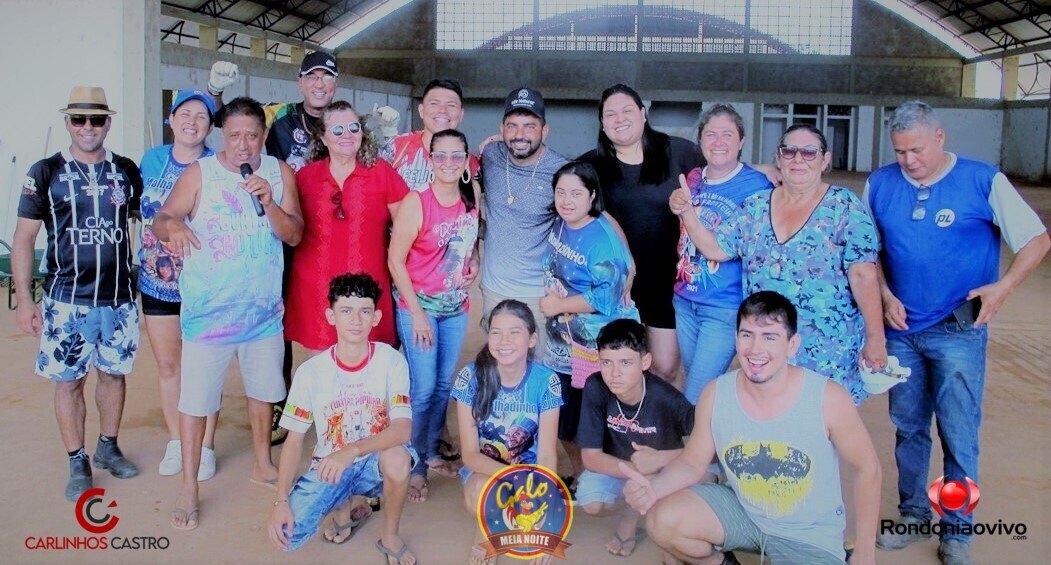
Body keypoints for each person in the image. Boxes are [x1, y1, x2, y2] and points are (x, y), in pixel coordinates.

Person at [867, 101, 1049, 565]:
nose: (908, 160)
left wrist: (1003, 287)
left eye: (917, 150)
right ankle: (912, 516)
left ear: (940, 137)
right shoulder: (880, 184)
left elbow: (1037, 239)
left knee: (958, 432)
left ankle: (958, 531)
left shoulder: (982, 180)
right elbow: (868, 253)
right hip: (901, 332)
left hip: (959, 331)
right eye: (900, 151)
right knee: (909, 429)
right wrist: (884, 295)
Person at [623, 291, 882, 565]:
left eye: (770, 337)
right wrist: (653, 489)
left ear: (792, 344)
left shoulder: (828, 398)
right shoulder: (716, 393)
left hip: (807, 534)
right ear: (736, 339)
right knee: (663, 520)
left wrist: (865, 552)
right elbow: (692, 463)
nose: (755, 349)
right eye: (747, 335)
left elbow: (868, 468)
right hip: (744, 511)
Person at [153, 97, 304, 529]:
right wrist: (173, 226)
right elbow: (163, 218)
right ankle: (189, 487)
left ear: (263, 136)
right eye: (234, 135)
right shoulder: (200, 173)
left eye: (252, 136)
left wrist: (270, 203)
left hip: (262, 315)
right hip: (209, 317)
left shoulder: (279, 173)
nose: (243, 145)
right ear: (223, 135)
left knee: (263, 393)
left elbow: (295, 235)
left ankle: (262, 464)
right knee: (196, 402)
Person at [670, 124, 887, 404]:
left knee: (822, 420)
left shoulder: (844, 207)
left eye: (809, 152)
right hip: (766, 347)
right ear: (778, 157)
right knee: (766, 417)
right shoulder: (756, 206)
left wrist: (876, 338)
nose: (798, 159)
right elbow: (716, 249)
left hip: (826, 349)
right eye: (790, 151)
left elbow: (863, 276)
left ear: (825, 160)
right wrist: (687, 212)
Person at [13, 86, 143, 501]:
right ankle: (77, 459)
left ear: (108, 123)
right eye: (79, 119)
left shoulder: (126, 170)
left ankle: (108, 445)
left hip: (119, 299)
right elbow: (23, 238)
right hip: (66, 301)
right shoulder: (45, 172)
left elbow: (148, 222)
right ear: (67, 122)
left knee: (114, 375)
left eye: (97, 119)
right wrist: (25, 298)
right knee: (69, 383)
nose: (88, 127)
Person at [207, 52, 341, 445]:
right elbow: (228, 123)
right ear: (300, 82)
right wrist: (215, 91)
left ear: (335, 83)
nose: (319, 84)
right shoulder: (280, 117)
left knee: (329, 318)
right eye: (312, 76)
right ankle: (279, 402)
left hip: (331, 235)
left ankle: (336, 401)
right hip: (284, 230)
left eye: (326, 77)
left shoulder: (343, 121)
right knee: (278, 324)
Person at [268, 273, 416, 564]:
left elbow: (402, 430)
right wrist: (281, 501)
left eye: (365, 311)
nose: (356, 320)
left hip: (373, 461)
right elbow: (294, 442)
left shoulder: (391, 361)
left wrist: (352, 451)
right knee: (287, 536)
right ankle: (345, 506)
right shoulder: (310, 372)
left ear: (376, 317)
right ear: (330, 316)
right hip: (331, 466)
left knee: (398, 459)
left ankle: (390, 536)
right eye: (346, 311)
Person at [382, 78, 479, 464]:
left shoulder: (472, 195)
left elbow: (471, 237)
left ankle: (430, 449)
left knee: (441, 386)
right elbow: (395, 260)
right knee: (422, 390)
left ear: (467, 161)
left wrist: (473, 261)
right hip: (418, 305)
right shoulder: (415, 200)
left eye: (457, 157)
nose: (449, 163)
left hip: (456, 306)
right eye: (441, 157)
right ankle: (414, 461)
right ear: (431, 159)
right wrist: (418, 313)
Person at [576, 84, 702, 380]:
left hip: (667, 281)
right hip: (617, 282)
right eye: (610, 114)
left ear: (643, 114)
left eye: (627, 110)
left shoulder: (679, 152)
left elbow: (720, 175)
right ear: (602, 123)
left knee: (664, 367)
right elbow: (559, 185)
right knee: (615, 367)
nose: (619, 118)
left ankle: (652, 409)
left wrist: (763, 171)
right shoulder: (590, 166)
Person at [540, 160, 639, 488]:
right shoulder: (562, 223)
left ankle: (602, 483)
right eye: (561, 192)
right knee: (564, 417)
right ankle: (583, 478)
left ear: (592, 196)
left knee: (590, 420)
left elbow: (607, 296)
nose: (566, 200)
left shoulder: (600, 237)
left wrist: (558, 305)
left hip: (594, 348)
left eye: (576, 193)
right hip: (563, 342)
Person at [138, 89, 220, 480]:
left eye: (201, 116)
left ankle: (205, 447)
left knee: (204, 368)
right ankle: (176, 441)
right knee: (169, 366)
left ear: (210, 125)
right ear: (171, 119)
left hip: (204, 284)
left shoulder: (216, 165)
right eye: (184, 113)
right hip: (157, 283)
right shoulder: (151, 160)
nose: (192, 121)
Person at [285, 100, 409, 350]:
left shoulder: (382, 172)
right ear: (323, 137)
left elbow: (408, 225)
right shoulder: (304, 178)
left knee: (369, 363)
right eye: (337, 130)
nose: (347, 135)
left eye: (354, 128)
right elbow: (288, 225)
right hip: (315, 289)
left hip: (369, 288)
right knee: (322, 364)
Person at [672, 104, 773, 404]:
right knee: (698, 384)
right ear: (700, 140)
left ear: (741, 141)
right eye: (710, 134)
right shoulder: (693, 178)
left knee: (695, 396)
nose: (718, 142)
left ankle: (696, 436)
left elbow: (734, 248)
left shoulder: (757, 185)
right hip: (685, 300)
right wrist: (677, 203)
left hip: (723, 307)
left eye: (727, 134)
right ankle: (711, 436)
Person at [451, 299, 562, 565]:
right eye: (496, 332)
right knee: (480, 494)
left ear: (532, 339)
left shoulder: (547, 381)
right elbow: (470, 455)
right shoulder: (470, 377)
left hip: (530, 476)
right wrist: (513, 478)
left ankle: (516, 517)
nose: (504, 341)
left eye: (515, 332)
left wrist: (547, 524)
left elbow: (547, 455)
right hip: (486, 471)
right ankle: (487, 531)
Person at [575, 319, 694, 558]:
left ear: (645, 362)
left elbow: (710, 449)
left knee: (676, 520)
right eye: (607, 362)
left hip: (663, 475)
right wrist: (637, 472)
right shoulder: (596, 386)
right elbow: (590, 457)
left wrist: (662, 459)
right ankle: (631, 513)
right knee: (590, 500)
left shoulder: (668, 399)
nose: (615, 373)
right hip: (622, 469)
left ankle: (644, 519)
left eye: (626, 363)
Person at [479, 87, 569, 359]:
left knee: (539, 368)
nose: (520, 134)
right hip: (494, 291)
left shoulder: (561, 171)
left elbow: (590, 220)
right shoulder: (490, 156)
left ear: (545, 130)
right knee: (500, 364)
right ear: (502, 129)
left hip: (539, 294)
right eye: (512, 126)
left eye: (530, 126)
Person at [380, 78, 479, 192]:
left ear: (461, 115)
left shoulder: (469, 162)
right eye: (434, 104)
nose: (442, 110)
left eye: (451, 105)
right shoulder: (396, 147)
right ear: (421, 110)